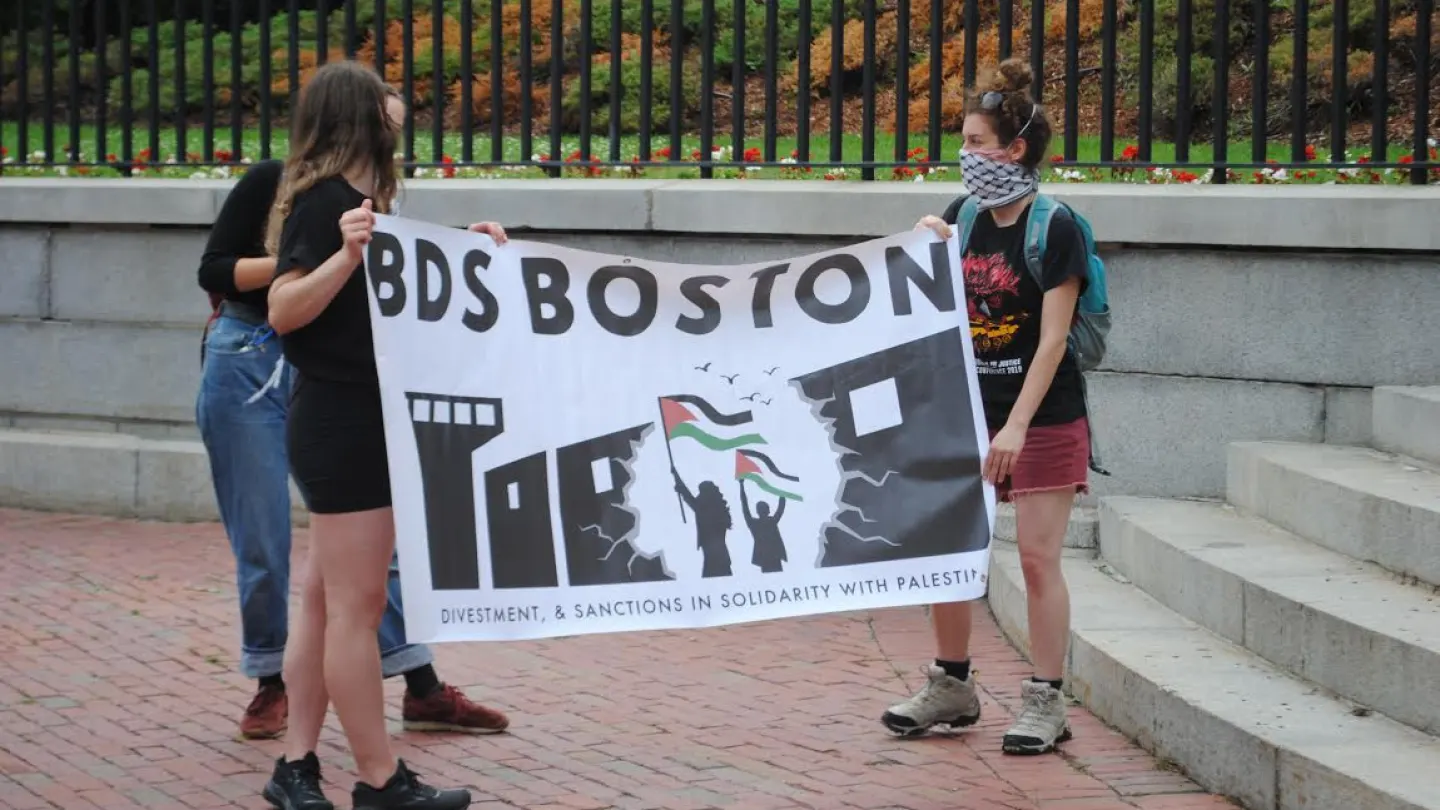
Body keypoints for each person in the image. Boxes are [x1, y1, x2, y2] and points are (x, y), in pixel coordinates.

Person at [196, 122, 508, 748]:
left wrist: (456, 249)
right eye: (382, 123)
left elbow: (393, 274)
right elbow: (217, 269)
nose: (393, 138)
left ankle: (413, 687)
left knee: (356, 559)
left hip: (331, 373)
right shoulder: (278, 183)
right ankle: (271, 683)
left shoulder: (368, 197)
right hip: (251, 357)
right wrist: (302, 259)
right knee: (265, 538)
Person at [259, 60, 509, 810]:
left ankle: (296, 766)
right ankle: (379, 779)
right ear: (360, 112)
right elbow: (283, 308)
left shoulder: (360, 201)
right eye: (386, 94)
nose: (402, 104)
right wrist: (345, 254)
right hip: (345, 424)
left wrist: (467, 250)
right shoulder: (326, 205)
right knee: (357, 609)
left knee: (322, 601)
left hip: (350, 418)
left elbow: (398, 300)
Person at [880, 58, 1090, 756]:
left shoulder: (1055, 227)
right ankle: (952, 685)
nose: (965, 156)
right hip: (967, 412)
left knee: (1035, 560)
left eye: (975, 142)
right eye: (964, 143)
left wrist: (1018, 426)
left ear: (1015, 149)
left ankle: (1046, 700)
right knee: (950, 553)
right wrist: (923, 248)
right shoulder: (963, 217)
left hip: (1041, 415)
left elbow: (1055, 338)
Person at [673, 470, 733, 577]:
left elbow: (690, 498)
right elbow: (690, 498)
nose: (699, 495)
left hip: (713, 553)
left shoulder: (707, 509)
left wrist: (677, 479)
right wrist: (677, 479)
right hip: (717, 552)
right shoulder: (714, 508)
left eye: (701, 492)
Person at [738, 480, 787, 573]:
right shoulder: (771, 521)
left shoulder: (754, 524)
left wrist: (741, 485)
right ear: (768, 510)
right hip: (771, 557)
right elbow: (781, 508)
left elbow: (744, 505)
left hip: (766, 557)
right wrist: (782, 493)